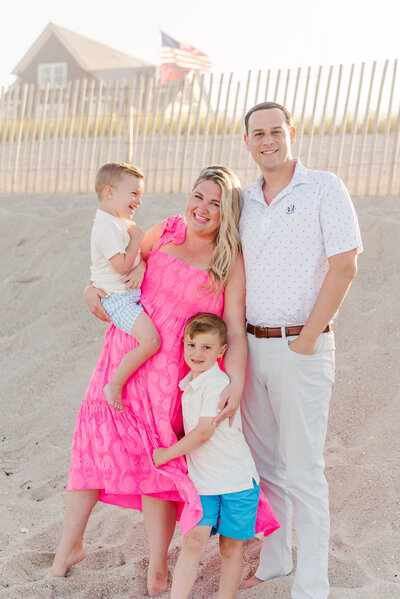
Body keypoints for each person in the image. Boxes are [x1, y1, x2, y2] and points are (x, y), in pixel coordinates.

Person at [48, 165, 249, 597]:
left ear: (226, 210)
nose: (203, 208)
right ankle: (68, 549)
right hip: (122, 355)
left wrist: (238, 380)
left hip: (169, 376)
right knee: (90, 446)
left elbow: (233, 326)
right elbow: (112, 272)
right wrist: (89, 290)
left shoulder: (227, 259)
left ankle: (158, 568)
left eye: (215, 202)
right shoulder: (167, 230)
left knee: (157, 465)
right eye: (199, 196)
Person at [239, 102, 363, 599]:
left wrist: (308, 338)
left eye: (275, 131)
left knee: (304, 466)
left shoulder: (324, 187)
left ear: (291, 133)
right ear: (246, 141)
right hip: (250, 345)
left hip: (302, 347)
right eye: (257, 133)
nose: (267, 140)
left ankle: (312, 580)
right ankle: (277, 557)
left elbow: (345, 265)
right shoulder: (243, 198)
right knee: (263, 463)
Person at [152, 312, 279, 599]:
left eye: (206, 347)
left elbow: (203, 433)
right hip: (204, 482)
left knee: (230, 547)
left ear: (221, 351)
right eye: (191, 345)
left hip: (236, 480)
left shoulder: (215, 382)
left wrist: (166, 454)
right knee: (194, 540)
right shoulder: (190, 384)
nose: (197, 353)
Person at [90, 162, 160, 412]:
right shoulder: (107, 227)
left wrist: (140, 267)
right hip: (117, 299)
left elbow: (135, 260)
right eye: (134, 193)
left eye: (140, 194)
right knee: (151, 341)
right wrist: (137, 238)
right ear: (109, 192)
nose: (139, 200)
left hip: (127, 295)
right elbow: (121, 266)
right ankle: (116, 384)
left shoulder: (117, 222)